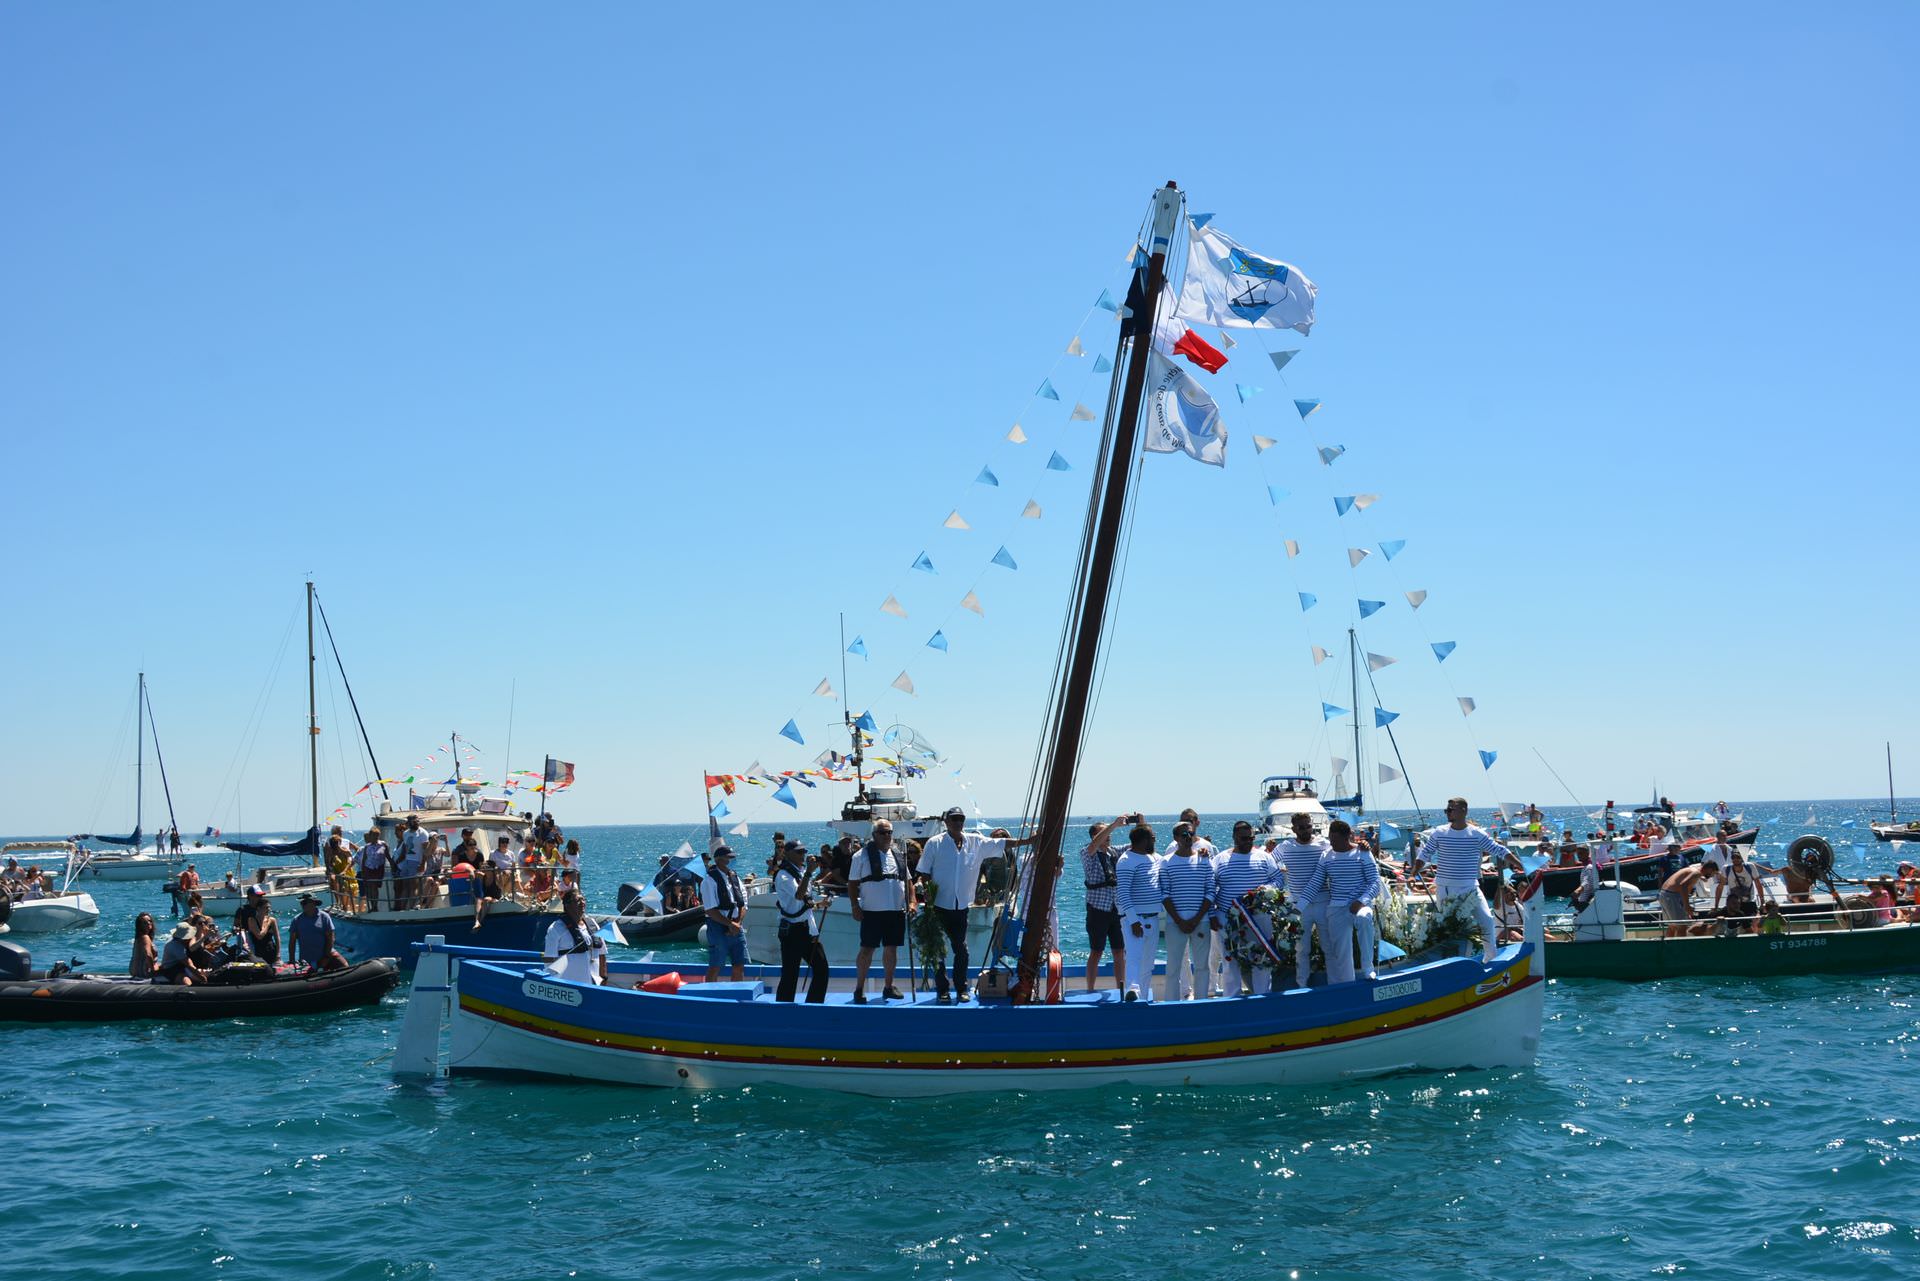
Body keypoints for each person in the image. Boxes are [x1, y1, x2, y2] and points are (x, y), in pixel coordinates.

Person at [914, 806, 1036, 1002]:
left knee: (961, 949)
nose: (958, 822)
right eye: (954, 819)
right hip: (938, 905)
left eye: (961, 818)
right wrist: (928, 895)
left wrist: (1028, 841)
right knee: (937, 949)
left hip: (961, 906)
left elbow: (1002, 843)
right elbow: (924, 872)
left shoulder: (975, 842)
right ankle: (942, 989)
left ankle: (961, 988)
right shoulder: (934, 844)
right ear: (946, 822)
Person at [1410, 798, 1505, 964]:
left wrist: (1522, 865)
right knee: (1447, 927)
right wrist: (1412, 874)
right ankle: (1444, 962)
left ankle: (1491, 957)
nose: (1448, 813)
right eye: (1446, 810)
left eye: (1451, 809)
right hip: (1446, 888)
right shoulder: (1439, 832)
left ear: (1463, 811)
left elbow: (1498, 849)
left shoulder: (1476, 834)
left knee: (1487, 920)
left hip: (1470, 887)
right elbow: (1424, 855)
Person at [1212, 820, 1282, 996]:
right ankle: (1232, 999)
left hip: (1258, 918)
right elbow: (1210, 887)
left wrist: (1264, 890)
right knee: (1230, 962)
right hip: (1227, 918)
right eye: (1243, 838)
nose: (1248, 841)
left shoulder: (1265, 857)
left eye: (1250, 838)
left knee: (1261, 960)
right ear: (1234, 837)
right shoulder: (1220, 859)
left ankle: (1262, 997)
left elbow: (1278, 881)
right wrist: (1212, 914)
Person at [849, 824, 915, 1003]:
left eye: (889, 832)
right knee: (866, 950)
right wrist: (855, 906)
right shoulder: (860, 856)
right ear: (874, 835)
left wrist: (912, 901)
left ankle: (888, 986)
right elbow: (853, 884)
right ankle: (859, 989)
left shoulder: (898, 856)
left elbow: (908, 882)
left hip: (895, 910)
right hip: (872, 912)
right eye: (882, 833)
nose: (886, 836)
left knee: (891, 949)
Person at [1316, 820, 1381, 982]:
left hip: (1359, 904)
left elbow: (1375, 882)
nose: (1332, 843)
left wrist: (1361, 901)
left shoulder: (1363, 853)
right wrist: (1300, 907)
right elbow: (1315, 882)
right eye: (1330, 839)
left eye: (1335, 840)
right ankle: (1347, 982)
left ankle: (1368, 969)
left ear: (1347, 838)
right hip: (1337, 906)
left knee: (1364, 918)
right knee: (1341, 951)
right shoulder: (1326, 856)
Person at [1157, 822, 1215, 1001]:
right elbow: (1165, 895)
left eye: (1190, 834)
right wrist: (1180, 920)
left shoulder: (1205, 860)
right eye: (1184, 834)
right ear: (1175, 838)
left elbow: (1210, 891)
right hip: (1175, 923)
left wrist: (1197, 918)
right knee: (1173, 967)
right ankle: (1171, 1005)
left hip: (1202, 922)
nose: (1188, 837)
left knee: (1202, 966)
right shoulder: (1166, 862)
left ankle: (1202, 1002)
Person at [1080, 814, 1138, 992]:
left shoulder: (1114, 852)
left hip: (1115, 909)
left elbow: (1137, 845)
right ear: (1095, 836)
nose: (1109, 835)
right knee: (1096, 951)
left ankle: (1121, 988)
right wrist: (1113, 825)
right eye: (1104, 832)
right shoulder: (1087, 853)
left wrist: (1139, 822)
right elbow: (1093, 847)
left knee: (1119, 952)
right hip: (1098, 909)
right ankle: (1090, 988)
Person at [1274, 811, 1332, 987]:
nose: (1306, 830)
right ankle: (1302, 985)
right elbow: (1268, 862)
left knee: (1328, 947)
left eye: (1309, 826)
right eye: (1302, 827)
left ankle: (1334, 983)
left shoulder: (1324, 844)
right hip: (1299, 906)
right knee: (1301, 949)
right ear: (1293, 829)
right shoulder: (1285, 847)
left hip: (1323, 902)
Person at [773, 840, 829, 1003]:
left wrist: (820, 904)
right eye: (799, 852)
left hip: (807, 929)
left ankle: (813, 1004)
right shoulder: (783, 876)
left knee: (822, 968)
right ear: (787, 854)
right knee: (790, 974)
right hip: (792, 931)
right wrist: (809, 873)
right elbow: (798, 895)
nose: (803, 855)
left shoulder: (800, 871)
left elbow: (803, 903)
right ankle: (783, 1008)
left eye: (804, 851)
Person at [1114, 823, 1162, 1003]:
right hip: (1135, 920)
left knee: (1148, 963)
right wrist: (1133, 921)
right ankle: (1132, 991)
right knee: (1134, 957)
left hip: (1153, 918)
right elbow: (1123, 893)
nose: (1155, 840)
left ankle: (1142, 995)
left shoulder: (1155, 858)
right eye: (1152, 837)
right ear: (1143, 841)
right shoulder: (1126, 861)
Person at [701, 845, 750, 982]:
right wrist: (730, 924)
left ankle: (737, 995)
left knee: (739, 964)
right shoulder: (709, 881)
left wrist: (737, 924)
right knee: (716, 965)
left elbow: (743, 904)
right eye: (730, 857)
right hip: (717, 926)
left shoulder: (736, 878)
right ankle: (710, 996)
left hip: (736, 926)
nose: (733, 860)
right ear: (719, 860)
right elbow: (710, 910)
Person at [542, 889, 609, 985]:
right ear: (567, 905)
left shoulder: (593, 924)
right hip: (569, 986)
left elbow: (602, 953)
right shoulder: (556, 928)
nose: (582, 903)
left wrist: (604, 977)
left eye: (583, 899)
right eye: (578, 900)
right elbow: (549, 959)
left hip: (593, 984)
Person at [1658, 861, 1719, 938]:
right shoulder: (1696, 873)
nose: (1712, 876)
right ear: (1710, 869)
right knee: (1682, 926)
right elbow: (1683, 885)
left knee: (1672, 926)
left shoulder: (1694, 870)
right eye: (1713, 873)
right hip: (1672, 895)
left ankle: (1669, 948)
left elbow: (1686, 886)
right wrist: (1687, 906)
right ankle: (1682, 949)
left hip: (1665, 894)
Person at [1713, 849, 1767, 933]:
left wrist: (1762, 902)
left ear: (1742, 858)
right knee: (1726, 921)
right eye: (1733, 857)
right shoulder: (1726, 869)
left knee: (1755, 920)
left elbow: (1758, 884)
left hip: (1749, 901)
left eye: (1738, 857)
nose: (1735, 859)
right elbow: (1720, 887)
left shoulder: (1750, 867)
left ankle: (1754, 938)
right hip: (1733, 903)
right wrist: (1716, 905)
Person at [288, 894, 346, 970]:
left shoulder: (324, 917)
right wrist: (292, 960)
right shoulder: (297, 920)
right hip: (307, 959)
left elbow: (331, 938)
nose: (302, 905)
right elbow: (292, 942)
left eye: (305, 903)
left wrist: (326, 957)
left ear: (313, 903)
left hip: (326, 954)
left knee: (344, 966)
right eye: (301, 903)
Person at [356, 829, 391, 913]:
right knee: (369, 888)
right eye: (374, 835)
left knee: (375, 887)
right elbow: (364, 860)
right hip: (368, 869)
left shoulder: (383, 844)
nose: (376, 837)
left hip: (378, 869)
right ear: (370, 836)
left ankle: (375, 906)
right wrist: (363, 872)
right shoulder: (367, 846)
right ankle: (373, 906)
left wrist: (393, 866)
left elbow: (388, 857)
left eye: (377, 835)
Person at [245, 891, 282, 965]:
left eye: (269, 908)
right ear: (258, 908)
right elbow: (259, 936)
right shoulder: (252, 920)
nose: (268, 910)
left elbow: (277, 938)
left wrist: (278, 954)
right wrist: (267, 924)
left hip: (271, 950)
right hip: (258, 952)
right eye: (266, 908)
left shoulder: (272, 920)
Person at [130, 912, 159, 979]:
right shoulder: (145, 937)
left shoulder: (139, 938)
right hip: (143, 971)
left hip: (134, 971)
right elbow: (148, 954)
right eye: (145, 922)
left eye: (149, 921)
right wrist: (153, 971)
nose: (148, 923)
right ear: (140, 925)